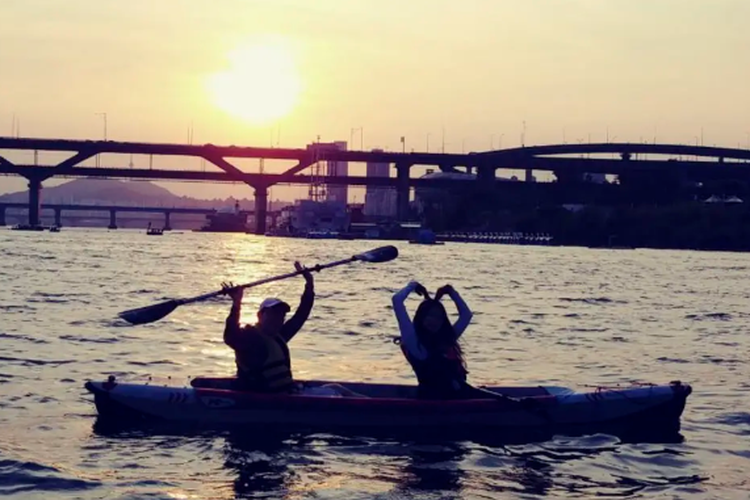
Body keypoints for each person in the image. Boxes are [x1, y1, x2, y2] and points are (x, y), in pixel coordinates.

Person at [222, 262, 365, 398]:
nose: (277, 318)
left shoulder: (279, 336)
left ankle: (373, 404)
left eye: (281, 315)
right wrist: (237, 303)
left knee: (336, 388)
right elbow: (230, 336)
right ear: (260, 315)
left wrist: (309, 284)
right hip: (269, 396)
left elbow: (301, 315)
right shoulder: (250, 338)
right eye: (273, 314)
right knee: (334, 394)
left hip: (289, 392)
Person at [392, 280, 490, 400]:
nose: (435, 321)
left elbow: (466, 315)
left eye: (439, 317)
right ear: (421, 317)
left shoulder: (446, 338)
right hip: (431, 400)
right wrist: (412, 286)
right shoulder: (413, 342)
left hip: (457, 397)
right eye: (430, 316)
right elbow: (397, 300)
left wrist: (451, 292)